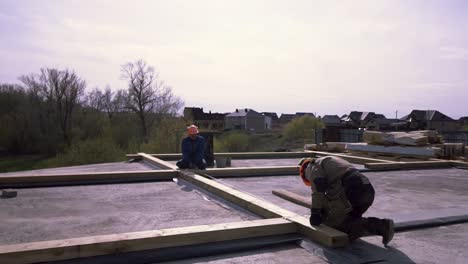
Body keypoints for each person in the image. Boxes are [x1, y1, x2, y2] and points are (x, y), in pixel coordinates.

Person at [298, 156, 394, 245]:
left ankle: (381, 226)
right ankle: (358, 231)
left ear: (304, 170)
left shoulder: (313, 167)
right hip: (366, 187)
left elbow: (318, 190)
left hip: (352, 188)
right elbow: (331, 195)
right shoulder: (330, 163)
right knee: (349, 218)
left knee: (335, 225)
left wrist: (315, 212)